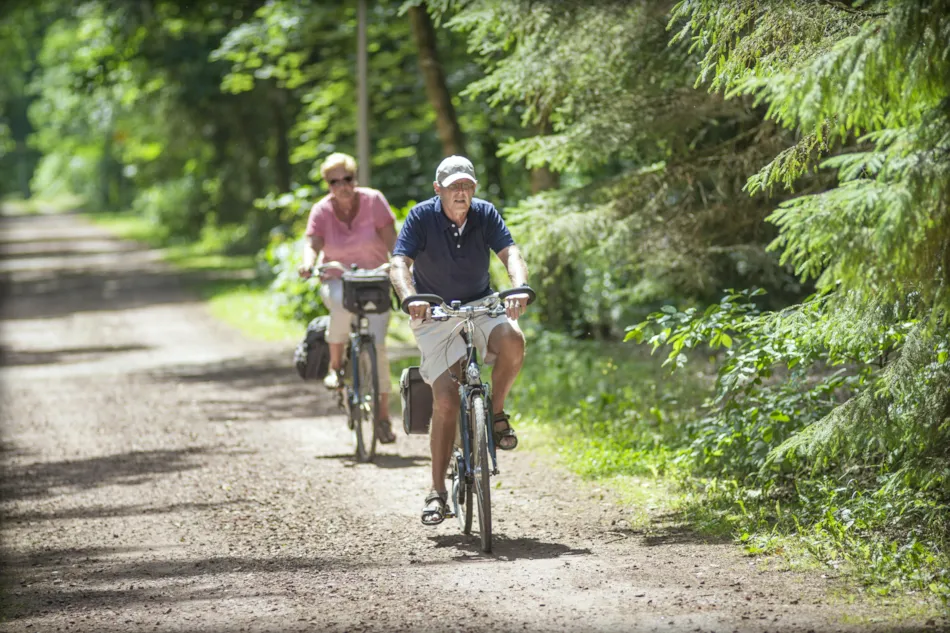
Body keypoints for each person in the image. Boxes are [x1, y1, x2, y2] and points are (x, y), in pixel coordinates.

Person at [390, 155, 531, 525]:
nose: (461, 193)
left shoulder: (485, 213)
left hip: (481, 304)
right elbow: (399, 264)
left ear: (474, 189)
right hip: (434, 311)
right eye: (454, 186)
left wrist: (518, 286)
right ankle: (436, 492)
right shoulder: (421, 216)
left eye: (467, 186)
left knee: (513, 339)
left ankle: (495, 414)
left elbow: (511, 253)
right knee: (446, 400)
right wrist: (411, 298)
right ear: (438, 189)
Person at [298, 152, 398, 444]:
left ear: (355, 178)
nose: (342, 186)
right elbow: (313, 242)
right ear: (327, 185)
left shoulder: (374, 201)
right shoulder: (321, 210)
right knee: (340, 303)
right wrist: (308, 263)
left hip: (375, 279)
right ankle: (335, 367)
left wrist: (401, 264)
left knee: (378, 346)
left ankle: (382, 418)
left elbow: (393, 241)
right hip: (338, 278)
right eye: (334, 182)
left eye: (347, 179)